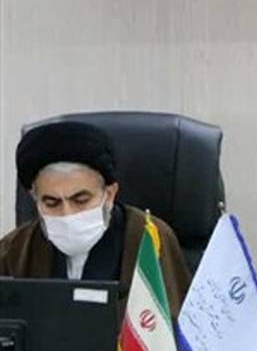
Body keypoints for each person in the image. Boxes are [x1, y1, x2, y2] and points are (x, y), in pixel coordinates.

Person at [0, 121, 192, 321]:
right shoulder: (15, 249)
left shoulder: (149, 239)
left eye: (81, 200)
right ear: (36, 202)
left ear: (109, 194)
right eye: (51, 203)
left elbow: (171, 329)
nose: (67, 214)